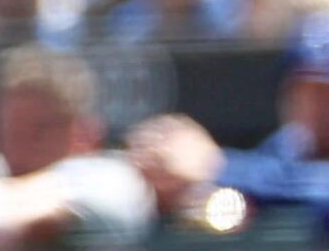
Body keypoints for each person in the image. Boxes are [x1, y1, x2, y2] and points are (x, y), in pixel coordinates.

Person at [0, 45, 153, 249]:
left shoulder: (110, 178)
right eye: (6, 127)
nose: (17, 143)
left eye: (38, 130)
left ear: (82, 134)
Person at [128, 14, 329, 228]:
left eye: (326, 92)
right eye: (308, 90)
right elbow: (264, 181)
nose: (320, 105)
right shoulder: (286, 146)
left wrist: (214, 164)